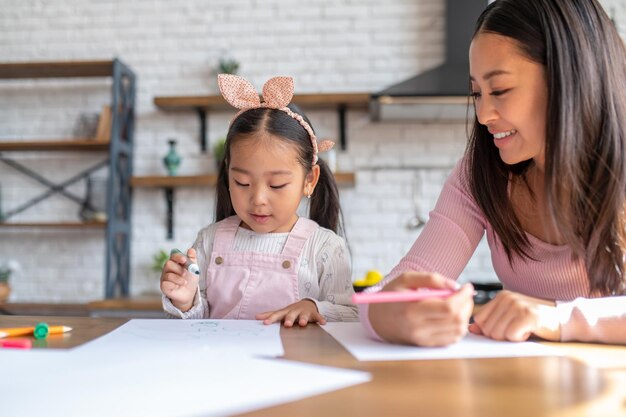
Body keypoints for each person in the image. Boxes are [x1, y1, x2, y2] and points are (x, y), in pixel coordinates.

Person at [364, 0, 626, 346]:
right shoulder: (480, 174)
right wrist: (391, 315)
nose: (484, 113)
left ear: (569, 78)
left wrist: (556, 316)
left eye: (499, 90)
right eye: (477, 93)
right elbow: (387, 292)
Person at [160, 74, 358, 326]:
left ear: (309, 179)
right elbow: (196, 323)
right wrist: (185, 301)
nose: (258, 199)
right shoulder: (210, 240)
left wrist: (314, 307)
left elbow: (353, 316)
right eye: (242, 183)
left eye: (276, 185)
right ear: (227, 174)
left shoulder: (324, 247)